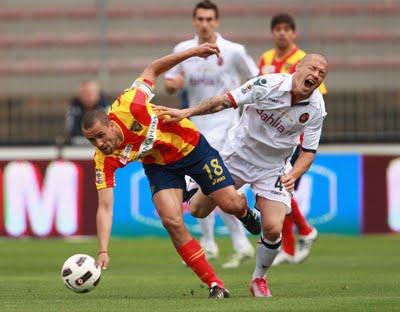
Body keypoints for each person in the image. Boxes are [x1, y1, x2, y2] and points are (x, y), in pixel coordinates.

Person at [81, 43, 261, 299]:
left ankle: (244, 210)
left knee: (229, 204)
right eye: (92, 141)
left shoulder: (132, 105)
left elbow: (152, 69)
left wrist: (194, 53)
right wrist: (102, 249)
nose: (99, 144)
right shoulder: (103, 159)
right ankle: (215, 284)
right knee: (171, 220)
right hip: (159, 165)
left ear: (111, 125)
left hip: (193, 149)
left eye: (100, 136)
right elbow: (105, 207)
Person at [155, 53, 329, 297]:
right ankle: (244, 211)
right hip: (236, 156)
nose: (316, 75)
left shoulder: (316, 108)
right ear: (297, 67)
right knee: (197, 210)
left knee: (272, 229)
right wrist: (187, 112)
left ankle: (259, 278)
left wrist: (295, 173)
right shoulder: (267, 85)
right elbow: (223, 101)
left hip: (273, 168)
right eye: (313, 68)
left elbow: (309, 151)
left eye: (322, 73)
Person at [164, 0, 258, 268]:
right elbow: (170, 84)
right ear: (194, 21)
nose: (204, 24)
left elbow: (256, 79)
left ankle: (236, 243)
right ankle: (212, 243)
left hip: (226, 125)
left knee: (214, 183)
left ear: (216, 22)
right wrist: (175, 85)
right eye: (200, 19)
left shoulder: (234, 51)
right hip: (195, 126)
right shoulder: (183, 50)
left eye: (209, 19)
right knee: (203, 186)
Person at [259, 13, 327, 265]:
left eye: (286, 29)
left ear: (294, 33)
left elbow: (316, 95)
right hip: (270, 136)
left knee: (281, 191)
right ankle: (290, 245)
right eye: (277, 29)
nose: (282, 33)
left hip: (293, 138)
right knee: (277, 194)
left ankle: (305, 232)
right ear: (272, 32)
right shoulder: (265, 59)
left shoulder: (305, 61)